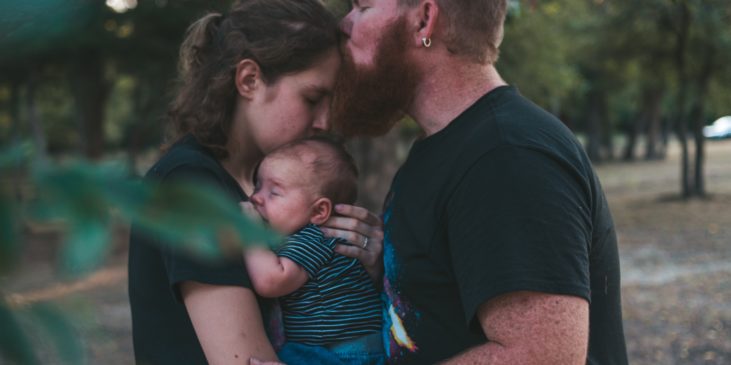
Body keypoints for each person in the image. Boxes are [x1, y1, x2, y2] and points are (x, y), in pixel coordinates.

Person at [331, 0, 629, 364]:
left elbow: (542, 357)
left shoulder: (507, 156)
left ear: (424, 20)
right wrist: (394, 271)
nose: (344, 23)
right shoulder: (445, 146)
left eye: (362, 7)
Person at [127, 1, 384, 364]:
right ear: (249, 80)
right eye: (312, 98)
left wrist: (364, 268)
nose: (325, 121)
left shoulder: (258, 190)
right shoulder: (193, 186)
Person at [242, 137, 384, 365]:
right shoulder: (302, 234)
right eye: (257, 186)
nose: (255, 197)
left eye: (274, 192)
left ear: (319, 211)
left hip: (344, 354)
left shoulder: (317, 236)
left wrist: (249, 232)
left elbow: (271, 281)